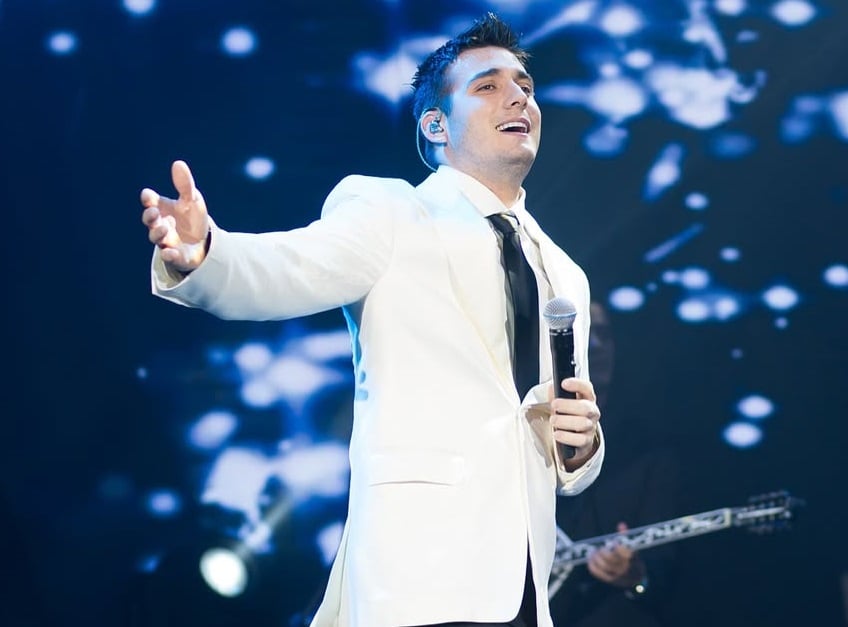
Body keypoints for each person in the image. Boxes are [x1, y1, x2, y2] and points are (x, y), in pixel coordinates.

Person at [139, 13, 604, 627]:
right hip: (415, 580)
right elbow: (289, 268)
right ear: (436, 125)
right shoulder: (391, 211)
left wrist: (582, 446)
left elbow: (562, 446)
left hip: (522, 588)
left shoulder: (565, 275)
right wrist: (205, 252)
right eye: (488, 86)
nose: (518, 97)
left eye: (524, 86)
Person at [550, 304, 681, 627]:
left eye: (605, 335)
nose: (596, 346)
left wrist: (636, 576)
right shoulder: (524, 428)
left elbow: (663, 572)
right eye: (586, 334)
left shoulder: (650, 452)